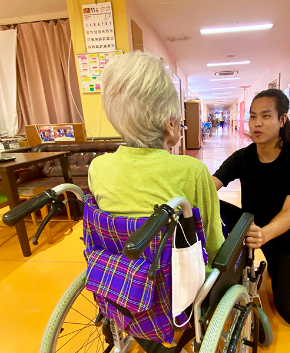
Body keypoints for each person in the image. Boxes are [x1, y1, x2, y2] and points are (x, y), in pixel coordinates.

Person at [88, 51, 225, 352]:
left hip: (118, 280)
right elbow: (213, 244)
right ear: (170, 124)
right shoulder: (192, 170)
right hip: (177, 292)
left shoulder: (98, 167)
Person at [213, 89, 290, 327]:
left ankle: (280, 266)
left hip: (284, 237)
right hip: (248, 226)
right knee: (206, 204)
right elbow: (211, 186)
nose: (257, 124)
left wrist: (264, 234)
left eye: (266, 116)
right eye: (252, 116)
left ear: (282, 119)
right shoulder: (243, 157)